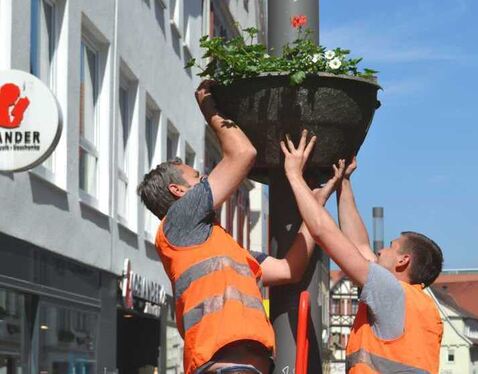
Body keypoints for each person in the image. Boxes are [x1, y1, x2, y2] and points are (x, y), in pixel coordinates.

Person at [137, 80, 344, 374]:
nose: (207, 179)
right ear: (178, 191)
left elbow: (289, 269)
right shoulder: (179, 221)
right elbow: (242, 154)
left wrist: (315, 205)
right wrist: (210, 108)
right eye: (197, 177)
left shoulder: (229, 251)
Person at [280, 132, 444, 374]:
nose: (380, 249)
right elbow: (359, 248)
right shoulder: (417, 304)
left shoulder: (391, 292)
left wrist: (294, 175)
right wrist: (344, 183)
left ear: (403, 260)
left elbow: (324, 231)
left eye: (390, 246)